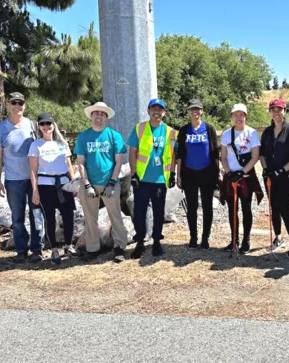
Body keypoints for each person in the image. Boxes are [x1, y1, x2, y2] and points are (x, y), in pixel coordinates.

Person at [74, 102, 128, 263]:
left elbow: (118, 162)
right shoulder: (83, 136)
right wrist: (87, 184)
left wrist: (112, 182)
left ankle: (119, 247)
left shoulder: (114, 136)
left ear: (106, 117)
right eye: (96, 113)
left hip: (109, 182)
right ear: (91, 116)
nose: (99, 116)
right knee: (90, 218)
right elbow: (80, 162)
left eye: (102, 114)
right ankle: (93, 248)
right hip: (89, 183)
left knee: (115, 215)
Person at [0, 92, 42, 263]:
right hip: (13, 181)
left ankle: (37, 249)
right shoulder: (0, 129)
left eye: (20, 103)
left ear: (24, 106)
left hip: (34, 179)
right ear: (8, 105)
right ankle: (21, 249)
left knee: (36, 214)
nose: (17, 106)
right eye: (14, 103)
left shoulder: (34, 126)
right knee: (17, 217)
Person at [128, 98, 176, 258]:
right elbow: (132, 152)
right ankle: (140, 241)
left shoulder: (170, 132)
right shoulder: (139, 128)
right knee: (139, 211)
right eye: (153, 109)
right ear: (148, 111)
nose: (156, 112)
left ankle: (157, 241)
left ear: (164, 113)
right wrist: (134, 173)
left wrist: (173, 173)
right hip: (141, 179)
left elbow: (173, 154)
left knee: (158, 212)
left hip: (160, 180)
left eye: (160, 109)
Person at [28, 113, 77, 264]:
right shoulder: (36, 145)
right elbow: (33, 170)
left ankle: (68, 245)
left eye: (49, 124)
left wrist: (73, 183)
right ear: (39, 127)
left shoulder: (61, 144)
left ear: (53, 125)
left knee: (69, 216)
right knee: (50, 219)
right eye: (43, 124)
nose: (46, 127)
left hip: (63, 184)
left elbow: (68, 165)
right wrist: (35, 191)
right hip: (45, 186)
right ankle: (54, 249)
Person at [260, 99, 289, 257]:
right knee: (273, 208)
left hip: (284, 175)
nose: (276, 112)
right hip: (269, 175)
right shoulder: (267, 132)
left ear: (284, 111)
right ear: (270, 112)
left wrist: (281, 171)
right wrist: (265, 170)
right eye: (273, 110)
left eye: (279, 109)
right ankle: (278, 237)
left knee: (284, 208)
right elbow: (262, 153)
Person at [176, 99, 220, 249]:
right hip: (189, 173)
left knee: (207, 207)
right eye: (192, 109)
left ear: (202, 111)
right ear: (188, 112)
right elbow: (180, 153)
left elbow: (215, 153)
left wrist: (218, 172)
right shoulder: (184, 130)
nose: (195, 112)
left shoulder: (209, 129)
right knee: (192, 207)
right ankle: (193, 237)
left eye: (197, 109)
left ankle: (205, 238)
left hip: (207, 173)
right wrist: (178, 175)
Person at [220, 103, 263, 253]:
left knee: (246, 208)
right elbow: (223, 157)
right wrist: (229, 172)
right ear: (231, 117)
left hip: (246, 175)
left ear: (246, 116)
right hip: (231, 176)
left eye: (241, 115)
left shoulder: (252, 133)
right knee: (232, 209)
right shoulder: (226, 134)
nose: (238, 118)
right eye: (235, 115)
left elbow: (256, 156)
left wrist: (242, 172)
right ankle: (234, 240)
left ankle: (246, 240)